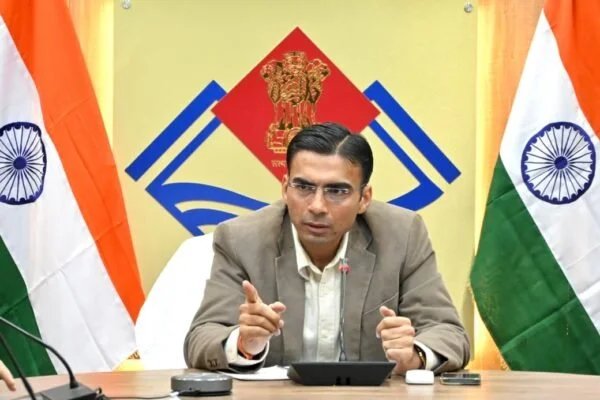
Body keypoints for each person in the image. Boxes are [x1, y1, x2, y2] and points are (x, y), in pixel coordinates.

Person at [184, 122, 470, 374]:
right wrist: (245, 344)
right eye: (303, 187)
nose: (317, 206)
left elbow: (449, 334)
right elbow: (201, 338)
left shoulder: (402, 235)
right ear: (285, 188)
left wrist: (414, 356)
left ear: (364, 198)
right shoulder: (242, 240)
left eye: (337, 191)